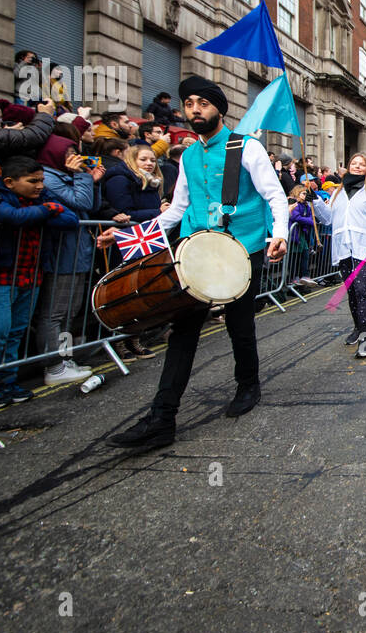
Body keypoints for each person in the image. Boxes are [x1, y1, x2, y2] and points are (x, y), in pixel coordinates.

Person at [101, 75, 288, 450]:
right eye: (189, 104)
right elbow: (179, 208)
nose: (195, 110)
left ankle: (248, 385)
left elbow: (276, 196)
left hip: (241, 249)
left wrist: (280, 233)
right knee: (183, 330)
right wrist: (126, 234)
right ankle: (162, 418)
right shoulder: (187, 155)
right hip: (195, 251)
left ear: (219, 108)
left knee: (239, 323)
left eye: (202, 104)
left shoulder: (246, 148)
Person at [0, 155, 80, 409]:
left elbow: (71, 220)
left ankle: (6, 380)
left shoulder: (41, 197)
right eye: (33, 181)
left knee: (16, 332)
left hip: (30, 274)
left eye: (41, 180)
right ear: (9, 182)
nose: (40, 186)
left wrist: (41, 210)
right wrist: (49, 210)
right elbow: (10, 217)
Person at [34, 124, 103, 385]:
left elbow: (91, 206)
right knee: (55, 312)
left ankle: (65, 359)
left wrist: (92, 181)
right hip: (61, 253)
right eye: (68, 153)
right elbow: (81, 204)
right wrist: (83, 177)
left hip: (78, 252)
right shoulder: (48, 178)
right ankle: (54, 365)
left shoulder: (68, 175)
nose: (75, 158)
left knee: (69, 312)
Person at [306, 152, 366, 356]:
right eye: (354, 163)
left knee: (362, 290)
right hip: (344, 246)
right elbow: (327, 218)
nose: (358, 167)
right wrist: (315, 201)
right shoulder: (338, 191)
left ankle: (365, 341)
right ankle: (357, 327)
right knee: (352, 292)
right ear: (348, 167)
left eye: (362, 164)